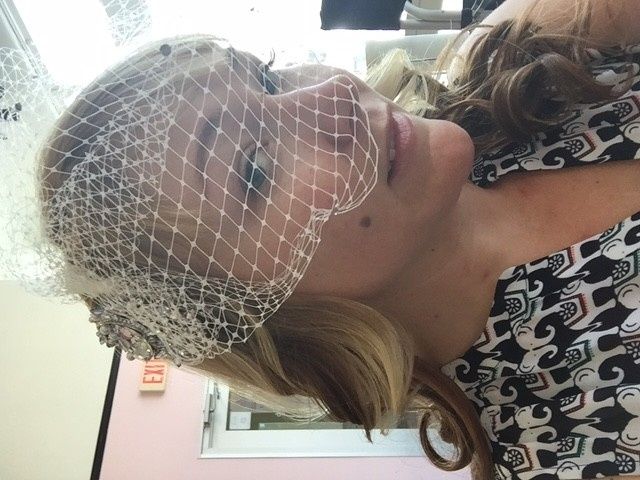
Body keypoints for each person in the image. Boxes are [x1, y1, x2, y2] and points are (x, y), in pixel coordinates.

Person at [13, 0, 640, 478]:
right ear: (260, 311)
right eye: (255, 169)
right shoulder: (567, 432)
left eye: (267, 78)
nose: (332, 92)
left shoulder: (516, 58)